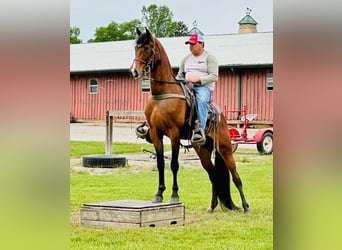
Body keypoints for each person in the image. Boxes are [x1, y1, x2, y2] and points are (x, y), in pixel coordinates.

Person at [176, 33, 219, 145]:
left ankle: (200, 130)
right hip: (186, 85)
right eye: (189, 44)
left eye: (193, 44)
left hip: (203, 87)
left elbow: (214, 76)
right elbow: (180, 75)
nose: (191, 46)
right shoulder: (185, 59)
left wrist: (198, 79)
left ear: (202, 44)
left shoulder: (209, 58)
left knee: (202, 101)